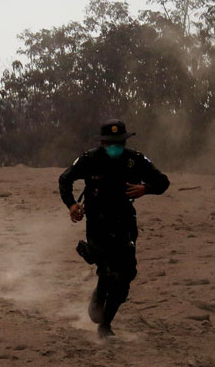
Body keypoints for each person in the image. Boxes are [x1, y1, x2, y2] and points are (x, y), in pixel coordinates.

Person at [58, 120, 169, 341]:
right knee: (108, 269)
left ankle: (105, 324)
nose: (115, 146)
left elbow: (162, 182)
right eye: (111, 143)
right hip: (97, 224)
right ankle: (99, 295)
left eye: (119, 142)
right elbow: (65, 179)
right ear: (103, 142)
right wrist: (71, 205)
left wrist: (145, 188)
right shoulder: (90, 159)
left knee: (126, 275)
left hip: (124, 223)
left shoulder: (134, 160)